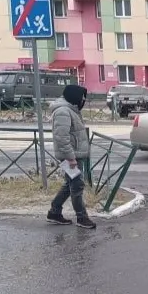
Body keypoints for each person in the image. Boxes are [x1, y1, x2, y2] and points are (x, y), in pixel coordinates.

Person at [47, 84, 96, 229]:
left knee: (70, 185)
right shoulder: (63, 111)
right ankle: (82, 218)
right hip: (70, 156)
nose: (83, 101)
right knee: (77, 186)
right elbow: (62, 138)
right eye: (81, 97)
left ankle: (54, 212)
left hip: (74, 155)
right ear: (73, 96)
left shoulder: (70, 109)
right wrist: (71, 158)